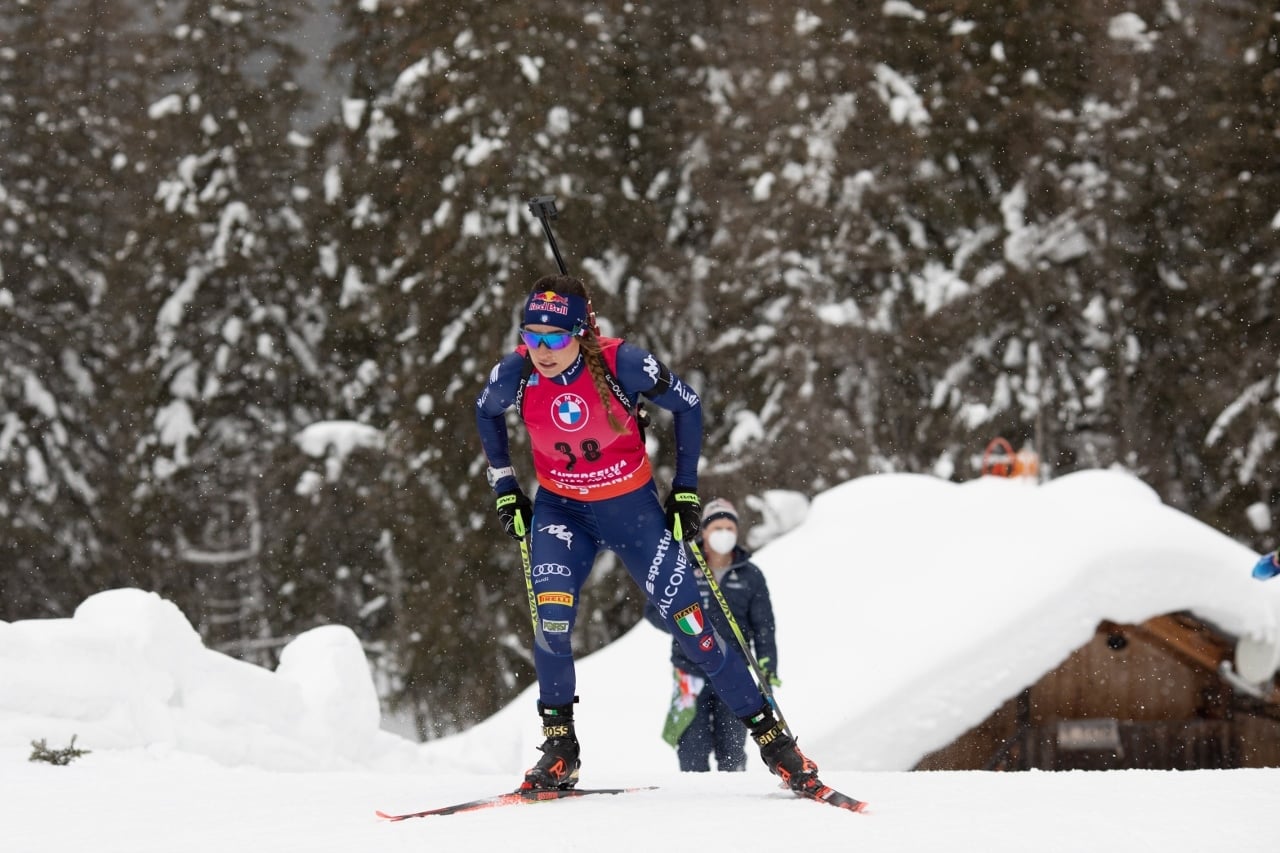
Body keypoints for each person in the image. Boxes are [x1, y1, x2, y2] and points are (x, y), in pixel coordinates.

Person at [475, 275, 819, 795]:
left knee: (695, 630)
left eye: (554, 338)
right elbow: (486, 413)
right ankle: (560, 749)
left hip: (631, 514)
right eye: (531, 336)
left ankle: (775, 742)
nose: (540, 350)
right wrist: (505, 485)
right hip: (561, 512)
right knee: (552, 619)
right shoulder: (516, 374)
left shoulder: (624, 364)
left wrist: (684, 491)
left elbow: (688, 405)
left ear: (579, 334)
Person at [645, 497, 779, 772]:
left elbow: (764, 626)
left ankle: (733, 800)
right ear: (704, 531)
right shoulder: (683, 568)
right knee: (691, 747)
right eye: (717, 528)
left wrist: (767, 667)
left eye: (729, 529)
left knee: (732, 748)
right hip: (689, 671)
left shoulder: (750, 575)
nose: (723, 535)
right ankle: (693, 803)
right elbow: (653, 610)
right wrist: (683, 626)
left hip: (735, 670)